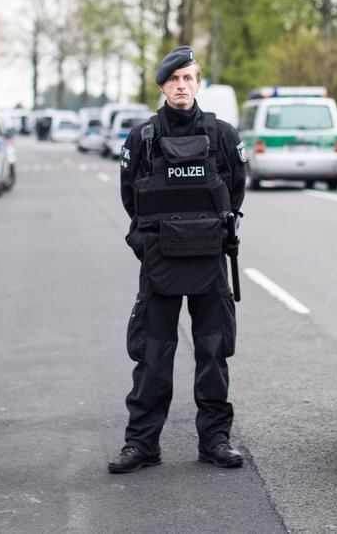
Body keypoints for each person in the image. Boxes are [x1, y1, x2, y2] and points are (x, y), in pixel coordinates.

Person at [108, 45, 247, 473]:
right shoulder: (142, 138)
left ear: (198, 84)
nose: (181, 86)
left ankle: (216, 441)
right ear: (163, 87)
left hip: (208, 260)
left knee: (212, 353)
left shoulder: (222, 134)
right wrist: (154, 239)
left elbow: (235, 189)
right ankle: (143, 444)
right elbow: (131, 197)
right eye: (174, 80)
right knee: (152, 356)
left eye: (189, 78)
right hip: (160, 261)